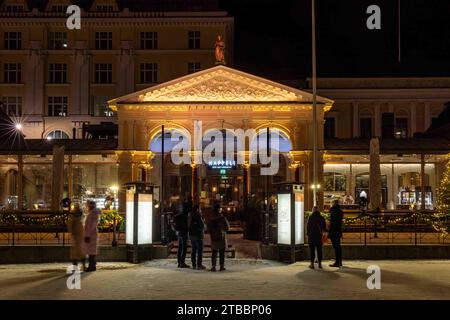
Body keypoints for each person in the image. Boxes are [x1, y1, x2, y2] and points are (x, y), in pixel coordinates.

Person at [207, 203, 230, 271]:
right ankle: (221, 266)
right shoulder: (222, 218)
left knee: (214, 252)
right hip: (221, 236)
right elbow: (227, 227)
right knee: (221, 252)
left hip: (213, 237)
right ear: (218, 209)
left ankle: (213, 266)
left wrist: (211, 232)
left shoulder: (210, 218)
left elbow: (208, 228)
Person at [172, 198, 190, 268]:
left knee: (180, 247)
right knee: (184, 247)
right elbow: (187, 225)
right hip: (184, 232)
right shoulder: (185, 216)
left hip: (179, 232)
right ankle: (182, 262)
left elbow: (173, 223)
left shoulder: (177, 216)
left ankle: (179, 262)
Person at [83, 200, 101, 272]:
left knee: (91, 251)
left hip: (91, 235)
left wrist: (87, 235)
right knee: (91, 251)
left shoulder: (92, 214)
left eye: (88, 206)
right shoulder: (93, 213)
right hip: (91, 234)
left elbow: (91, 225)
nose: (87, 207)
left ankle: (92, 266)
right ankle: (92, 265)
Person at [67, 202, 85, 270]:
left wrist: (71, 231)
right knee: (81, 251)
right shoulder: (80, 215)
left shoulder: (72, 216)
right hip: (79, 235)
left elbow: (69, 226)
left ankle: (76, 266)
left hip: (76, 235)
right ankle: (82, 265)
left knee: (76, 252)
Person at [189, 204, 206, 270]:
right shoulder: (197, 214)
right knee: (199, 250)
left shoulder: (190, 214)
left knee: (193, 250)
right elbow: (202, 225)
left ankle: (194, 264)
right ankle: (199, 265)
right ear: (197, 209)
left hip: (191, 234)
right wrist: (203, 224)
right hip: (198, 234)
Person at [328, 199, 344, 267]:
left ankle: (337, 262)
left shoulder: (333, 211)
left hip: (334, 232)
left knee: (336, 247)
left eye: (331, 203)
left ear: (333, 204)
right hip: (338, 231)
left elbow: (332, 223)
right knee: (338, 247)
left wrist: (329, 232)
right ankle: (339, 261)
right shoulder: (340, 211)